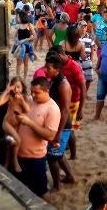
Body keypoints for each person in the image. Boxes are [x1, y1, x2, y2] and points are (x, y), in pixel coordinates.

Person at [14, 77, 60, 198]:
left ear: (47, 91)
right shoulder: (30, 100)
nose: (33, 95)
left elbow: (50, 136)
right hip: (19, 155)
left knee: (41, 192)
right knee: (24, 188)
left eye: (37, 92)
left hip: (35, 158)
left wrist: (29, 123)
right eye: (32, 91)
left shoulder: (52, 109)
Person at [44, 53, 77, 190]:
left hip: (62, 126)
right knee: (58, 154)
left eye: (49, 68)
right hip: (57, 123)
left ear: (57, 69)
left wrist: (58, 133)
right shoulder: (54, 80)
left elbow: (64, 111)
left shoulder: (63, 85)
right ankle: (70, 177)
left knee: (52, 158)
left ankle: (56, 186)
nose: (46, 70)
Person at [0, 77, 30, 172]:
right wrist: (6, 91)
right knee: (18, 140)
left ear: (23, 87)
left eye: (18, 87)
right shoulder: (10, 96)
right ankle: (15, 161)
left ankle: (6, 164)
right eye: (13, 87)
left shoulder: (24, 98)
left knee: (9, 144)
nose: (16, 90)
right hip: (7, 123)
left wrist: (22, 100)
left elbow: (27, 110)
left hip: (16, 125)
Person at [13, 12, 36, 81]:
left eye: (19, 17)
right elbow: (14, 36)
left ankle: (24, 78)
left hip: (27, 46)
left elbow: (35, 36)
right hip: (20, 46)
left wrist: (26, 39)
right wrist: (17, 42)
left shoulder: (29, 25)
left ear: (22, 18)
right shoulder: (18, 26)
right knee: (18, 63)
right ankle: (17, 78)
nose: (18, 18)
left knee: (26, 63)